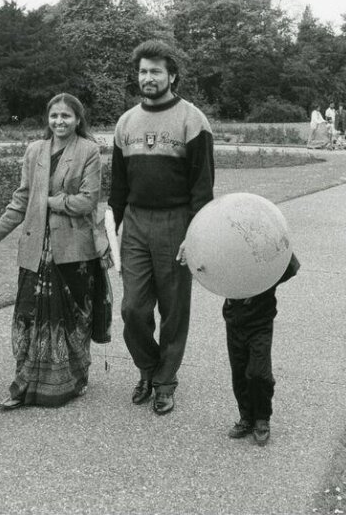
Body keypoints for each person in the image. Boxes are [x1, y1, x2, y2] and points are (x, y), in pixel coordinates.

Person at [0, 93, 109, 410]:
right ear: (47, 119)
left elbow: (87, 202)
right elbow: (21, 199)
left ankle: (74, 380)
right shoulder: (35, 150)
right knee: (30, 315)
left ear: (78, 119)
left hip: (74, 250)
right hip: (35, 247)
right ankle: (23, 384)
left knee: (71, 318)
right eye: (54, 116)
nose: (59, 122)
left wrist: (50, 201)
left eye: (66, 116)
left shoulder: (89, 151)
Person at [108, 39, 215, 415]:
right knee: (133, 309)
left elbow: (203, 188)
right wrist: (111, 232)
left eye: (155, 71)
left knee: (173, 310)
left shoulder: (192, 120)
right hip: (136, 222)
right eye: (143, 71)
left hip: (177, 221)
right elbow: (117, 188)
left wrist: (195, 235)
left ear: (172, 75)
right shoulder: (126, 123)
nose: (148, 77)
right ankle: (148, 368)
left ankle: (165, 382)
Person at [224, 254, 300, 446]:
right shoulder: (226, 237)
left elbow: (291, 266)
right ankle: (246, 418)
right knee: (239, 372)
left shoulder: (265, 236)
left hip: (260, 321)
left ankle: (261, 418)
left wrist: (263, 283)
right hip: (234, 319)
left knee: (258, 372)